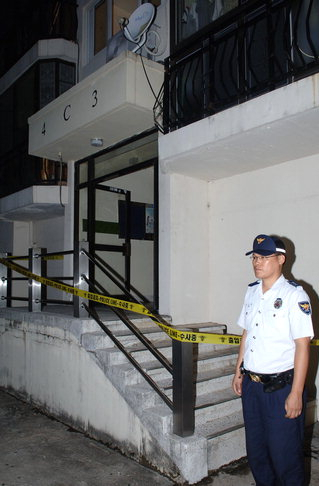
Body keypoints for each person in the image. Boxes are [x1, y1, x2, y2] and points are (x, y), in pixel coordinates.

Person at [232, 234, 314, 486]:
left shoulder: (294, 296)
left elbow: (302, 346)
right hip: (252, 386)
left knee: (285, 456)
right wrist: (238, 371)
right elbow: (247, 333)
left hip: (280, 390)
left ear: (281, 259)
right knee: (257, 453)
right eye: (255, 257)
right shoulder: (252, 292)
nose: (258, 262)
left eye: (265, 257)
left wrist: (297, 393)